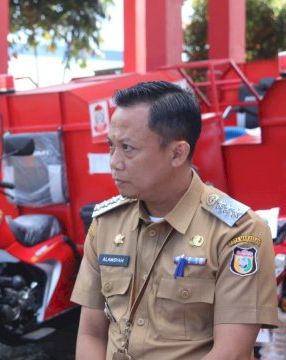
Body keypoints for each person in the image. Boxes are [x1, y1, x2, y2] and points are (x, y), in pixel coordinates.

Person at [71, 81, 278, 359]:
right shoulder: (108, 223)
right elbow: (90, 334)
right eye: (112, 146)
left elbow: (232, 352)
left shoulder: (238, 233)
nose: (114, 162)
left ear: (177, 153)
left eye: (128, 148)